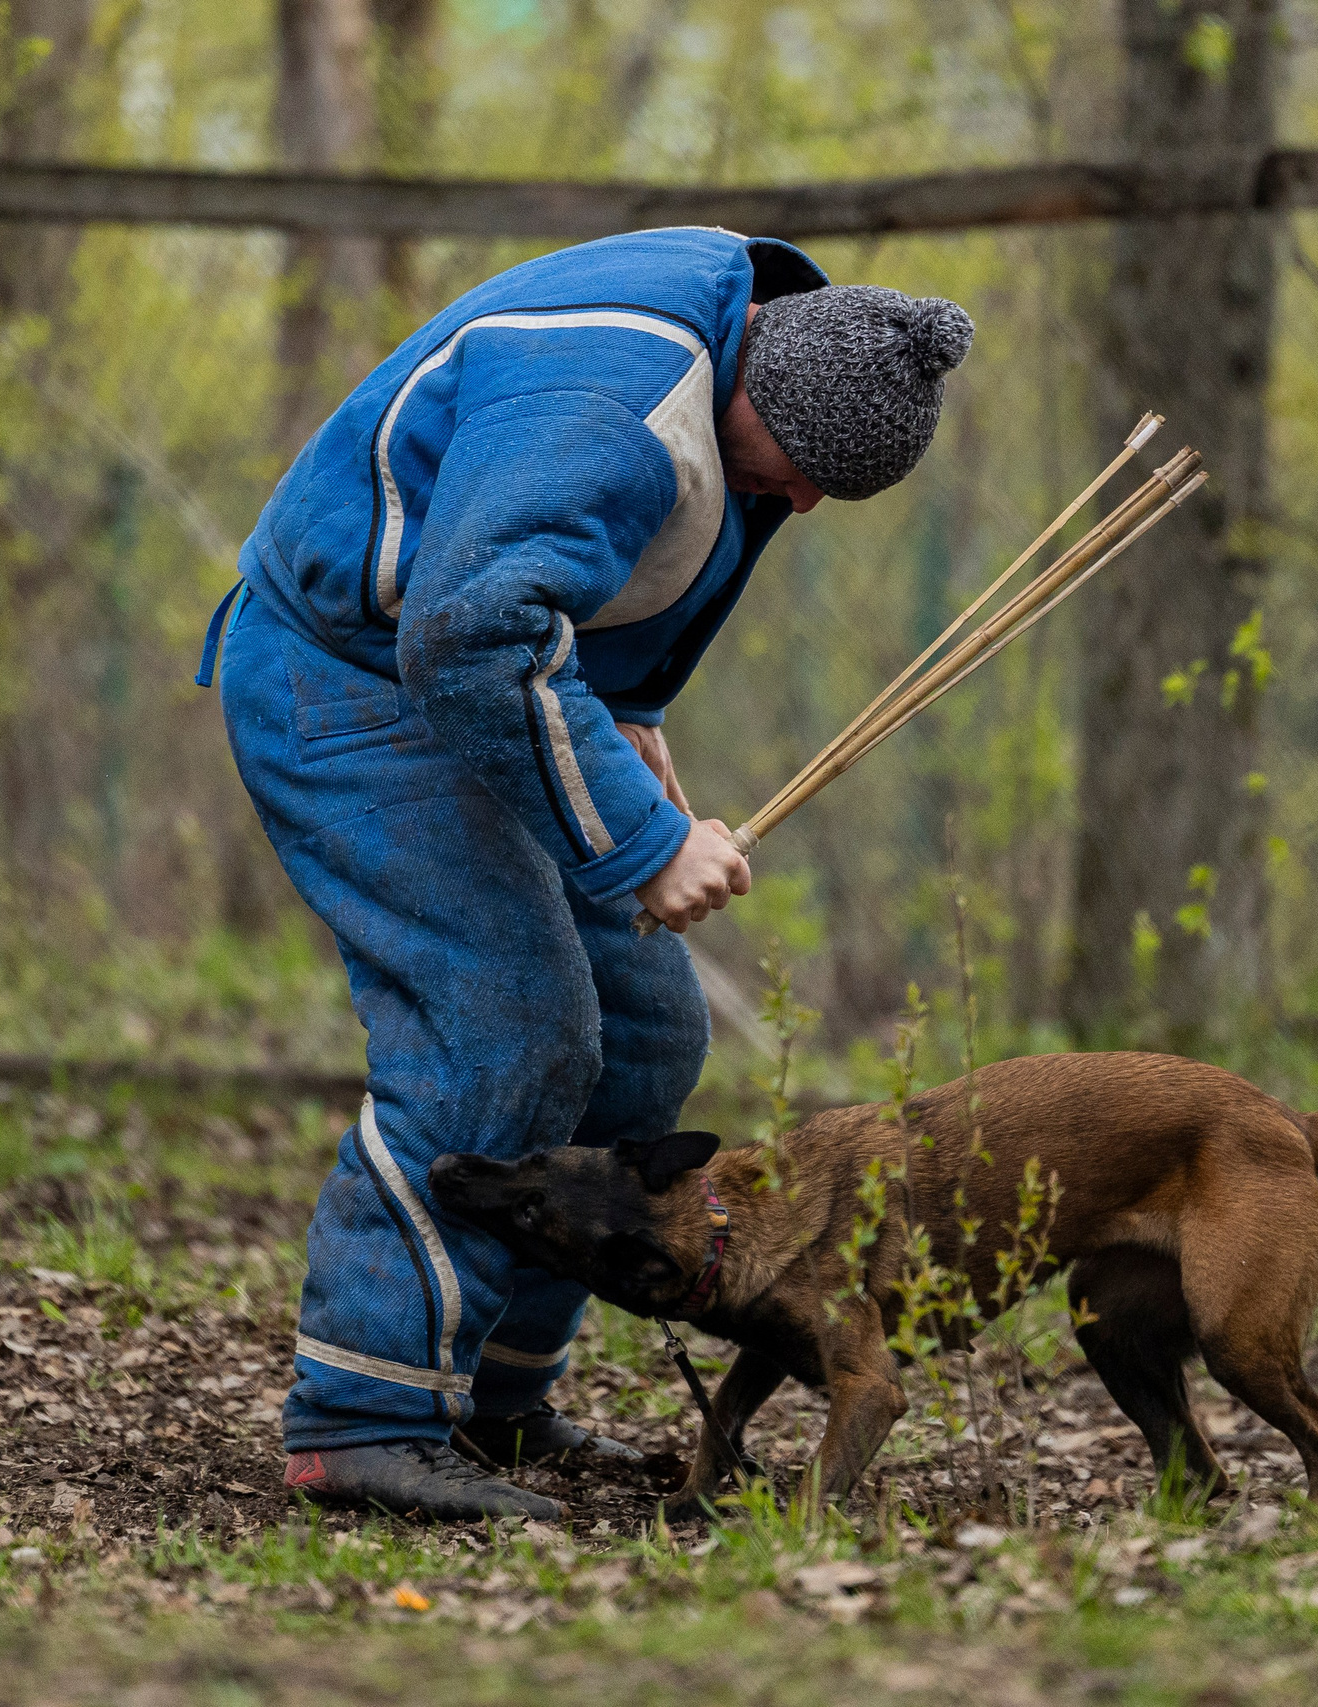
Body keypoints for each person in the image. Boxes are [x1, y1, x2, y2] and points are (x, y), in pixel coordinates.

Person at [197, 226, 973, 1521]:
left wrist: (632, 726)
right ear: (756, 394)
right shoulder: (613, 401)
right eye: (805, 477)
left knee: (643, 1036)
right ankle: (363, 1418)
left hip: (473, 673)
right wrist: (647, 845)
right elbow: (472, 628)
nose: (808, 504)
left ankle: (501, 1401)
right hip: (348, 673)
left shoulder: (750, 359)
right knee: (501, 1026)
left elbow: (590, 586)